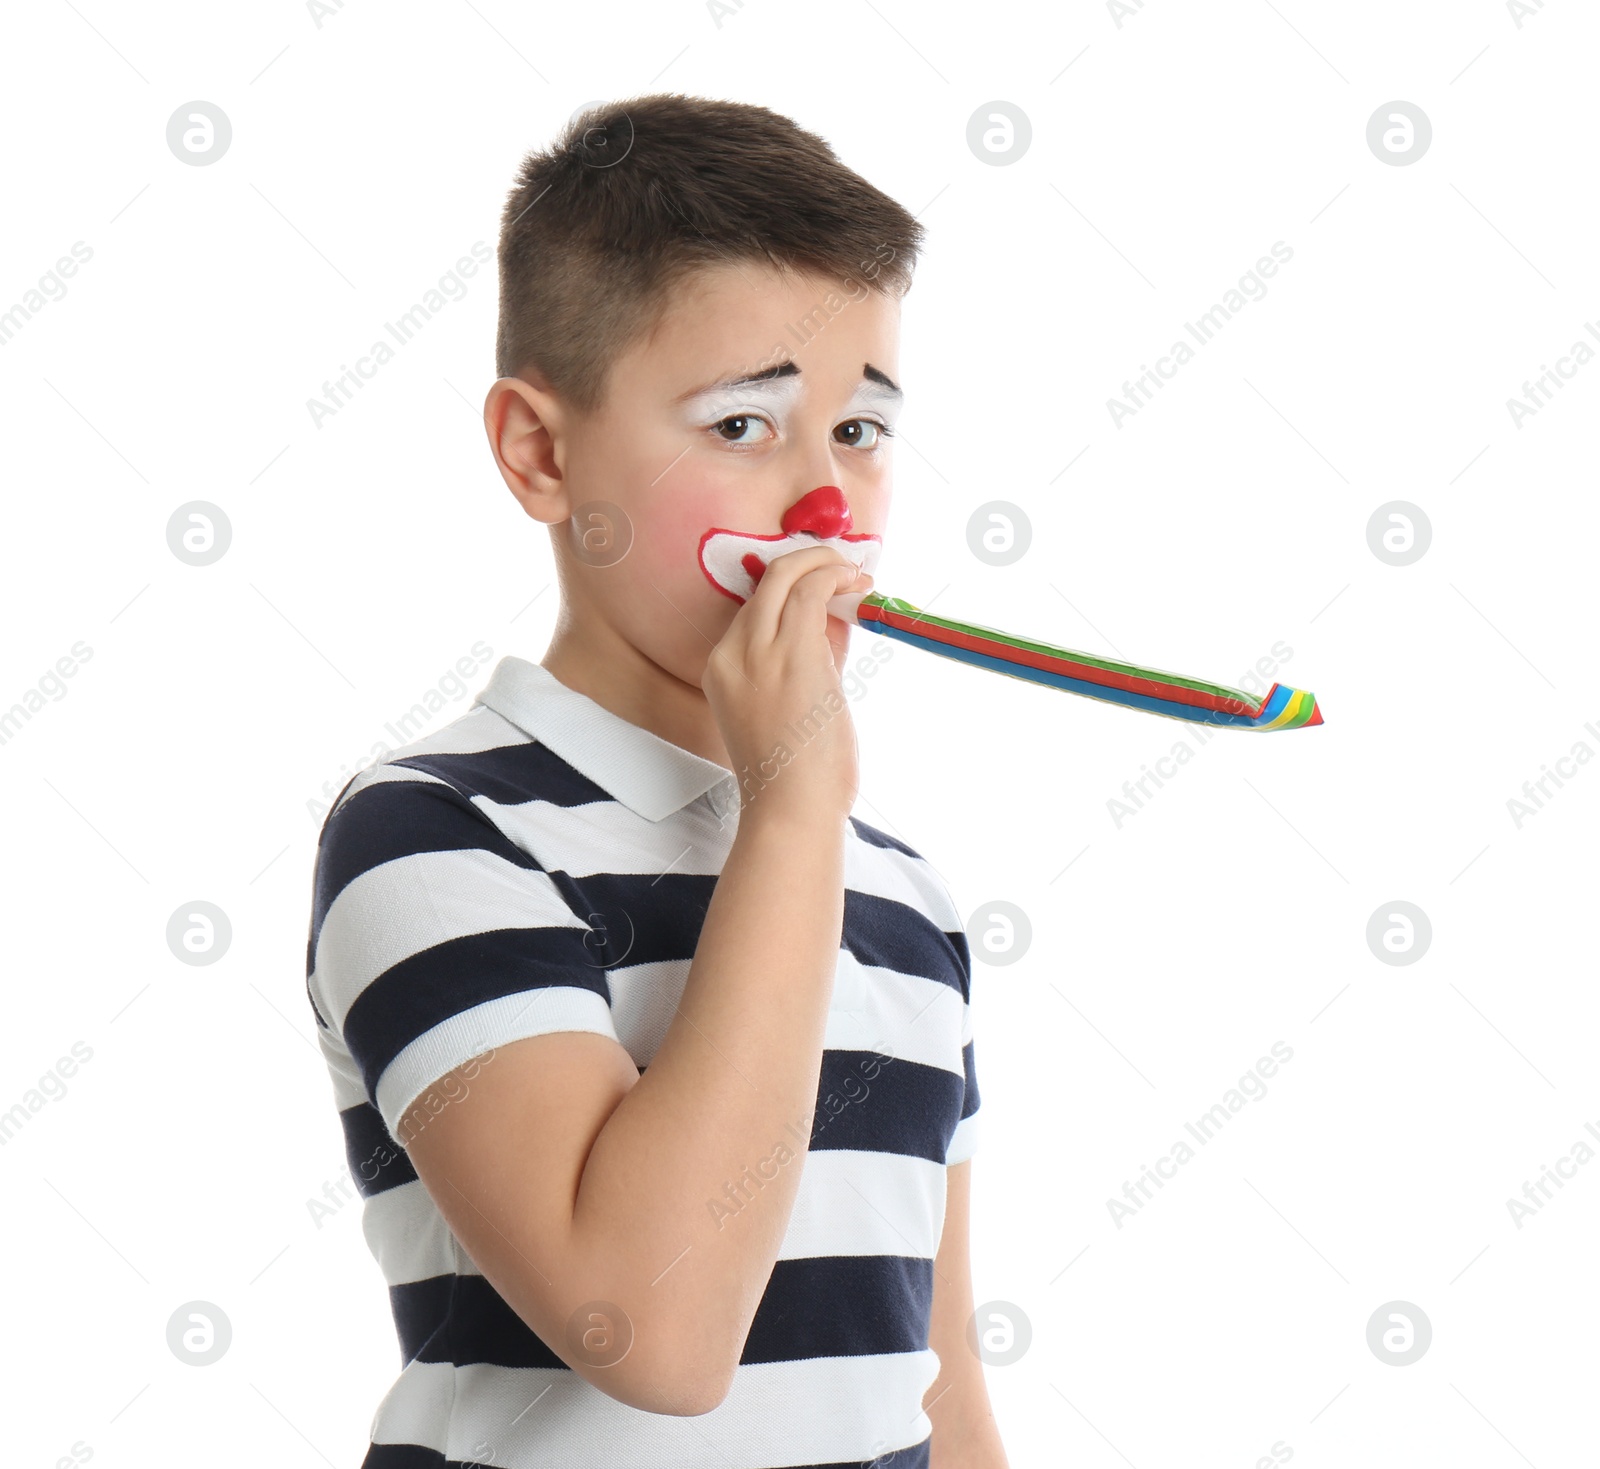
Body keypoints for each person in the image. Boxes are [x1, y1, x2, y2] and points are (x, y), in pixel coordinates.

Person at [305, 92, 1007, 1468]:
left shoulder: (905, 898)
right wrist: (795, 804)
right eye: (744, 426)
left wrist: (810, 822)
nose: (825, 505)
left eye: (859, 431)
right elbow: (656, 1331)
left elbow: (939, 1376)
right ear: (543, 452)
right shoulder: (432, 837)